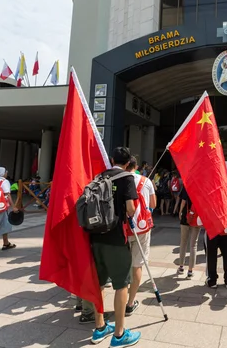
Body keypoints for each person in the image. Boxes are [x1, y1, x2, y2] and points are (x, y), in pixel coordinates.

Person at [89, 147, 141, 346]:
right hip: (115, 237)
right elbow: (130, 208)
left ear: (112, 159)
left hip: (95, 236)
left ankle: (99, 327)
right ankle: (119, 334)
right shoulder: (126, 178)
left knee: (100, 282)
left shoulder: (100, 176)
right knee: (121, 284)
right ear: (128, 163)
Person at [126, 156, 156, 316]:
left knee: (123, 265)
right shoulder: (146, 181)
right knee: (137, 264)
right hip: (142, 227)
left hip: (123, 227)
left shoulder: (117, 179)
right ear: (136, 166)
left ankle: (120, 295)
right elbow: (153, 205)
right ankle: (130, 302)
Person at [177, 185, 200, 278]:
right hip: (196, 217)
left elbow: (183, 202)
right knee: (193, 245)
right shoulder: (201, 187)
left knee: (183, 242)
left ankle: (181, 266)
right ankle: (190, 270)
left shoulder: (187, 186)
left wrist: (180, 212)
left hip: (185, 217)